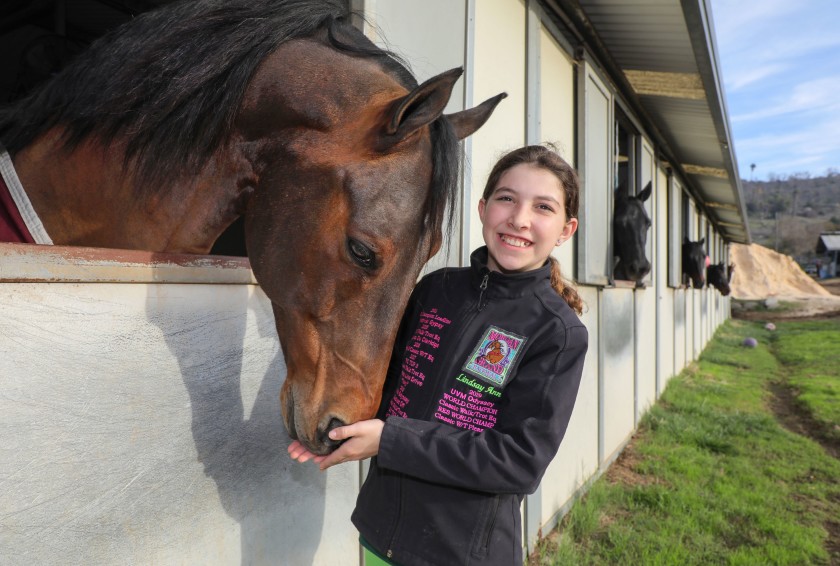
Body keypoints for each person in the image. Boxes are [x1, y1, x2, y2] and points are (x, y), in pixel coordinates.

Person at [288, 144, 588, 566]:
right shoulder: (435, 289)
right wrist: (338, 431)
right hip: (381, 534)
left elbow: (519, 462)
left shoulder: (557, 332)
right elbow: (387, 388)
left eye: (543, 207)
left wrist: (389, 440)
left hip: (458, 554)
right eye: (507, 198)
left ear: (565, 230)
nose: (519, 219)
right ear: (483, 209)